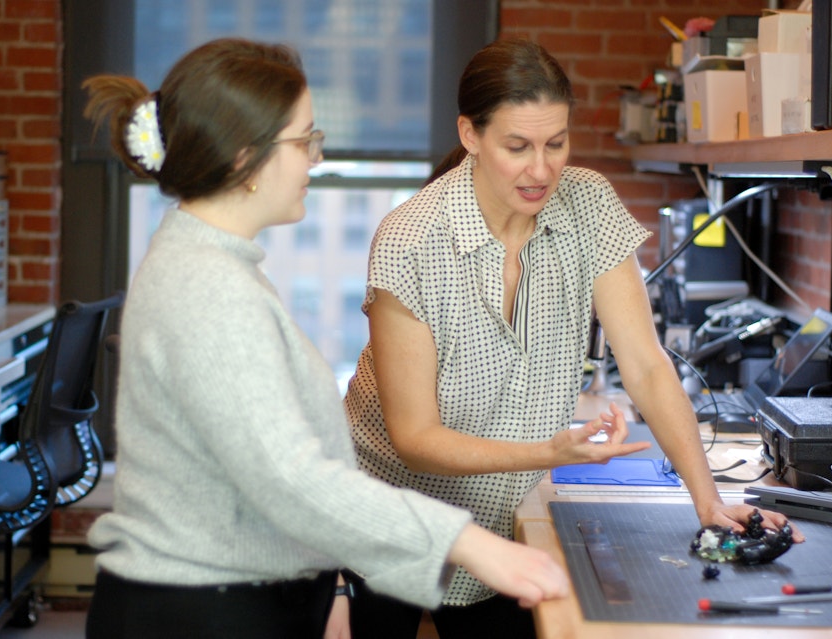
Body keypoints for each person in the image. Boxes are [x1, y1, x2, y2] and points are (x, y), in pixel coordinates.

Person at [79, 38, 571, 639]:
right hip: (200, 611)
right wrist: (470, 544)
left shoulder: (218, 265)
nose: (316, 158)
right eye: (303, 141)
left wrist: (330, 584)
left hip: (238, 598)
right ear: (244, 158)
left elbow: (269, 469)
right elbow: (291, 479)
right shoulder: (206, 288)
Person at [342, 38, 802, 639]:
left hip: (505, 513)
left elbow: (645, 365)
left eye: (556, 143)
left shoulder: (587, 204)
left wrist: (708, 500)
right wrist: (551, 453)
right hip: (394, 513)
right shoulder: (411, 240)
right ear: (470, 135)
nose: (542, 170)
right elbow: (416, 439)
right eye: (517, 147)